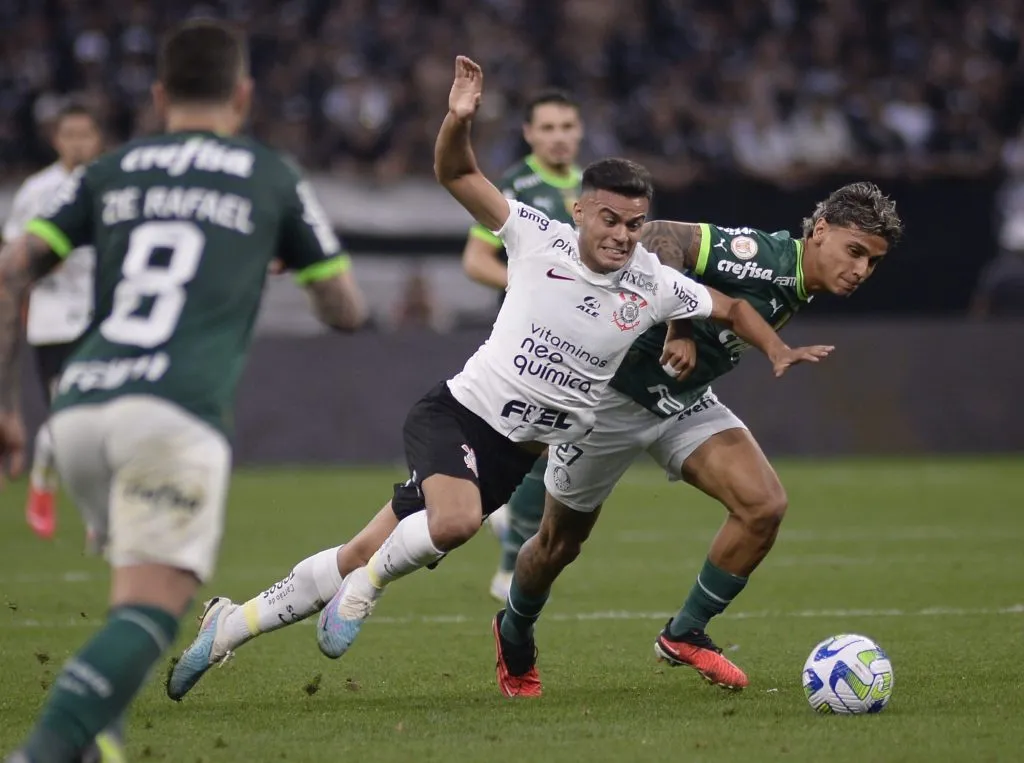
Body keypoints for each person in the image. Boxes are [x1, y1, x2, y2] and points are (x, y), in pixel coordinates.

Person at [165, 55, 831, 702]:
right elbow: (456, 172)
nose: (622, 235)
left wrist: (774, 347)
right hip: (457, 416)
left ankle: (232, 621)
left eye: (634, 224)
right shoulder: (535, 235)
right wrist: (457, 119)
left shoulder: (652, 282)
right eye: (609, 219)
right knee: (449, 524)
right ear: (579, 211)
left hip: (515, 454)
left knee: (362, 543)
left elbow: (733, 305)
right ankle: (365, 587)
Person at [0, 20, 366, 762]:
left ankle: (100, 718)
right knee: (151, 608)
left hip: (75, 408)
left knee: (129, 581)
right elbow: (347, 310)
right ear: (243, 94)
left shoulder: (110, 169)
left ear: (162, 95)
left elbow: (15, 265)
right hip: (170, 414)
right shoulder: (269, 174)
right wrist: (289, 260)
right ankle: (45, 748)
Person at [492, 182, 904, 697]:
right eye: (855, 251)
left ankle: (684, 633)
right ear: (820, 232)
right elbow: (663, 236)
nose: (861, 270)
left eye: (872, 262)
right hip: (611, 403)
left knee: (764, 504)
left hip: (683, 400)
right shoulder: (764, 256)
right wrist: (679, 327)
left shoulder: (798, 285)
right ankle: (513, 629)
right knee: (558, 544)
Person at [459, 89, 584, 601]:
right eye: (548, 128)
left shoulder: (597, 188)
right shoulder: (515, 184)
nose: (559, 137)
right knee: (548, 440)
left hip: (583, 337)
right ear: (530, 134)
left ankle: (513, 532)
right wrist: (529, 285)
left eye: (567, 126)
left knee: (550, 443)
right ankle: (512, 562)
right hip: (529, 338)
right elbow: (475, 260)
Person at [2, 103, 103, 541]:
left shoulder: (109, 184)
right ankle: (47, 476)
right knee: (71, 415)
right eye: (70, 135)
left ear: (97, 139)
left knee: (100, 420)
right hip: (53, 320)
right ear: (56, 139)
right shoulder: (37, 190)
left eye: (86, 134)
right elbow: (14, 253)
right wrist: (43, 261)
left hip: (101, 317)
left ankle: (95, 516)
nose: (78, 143)